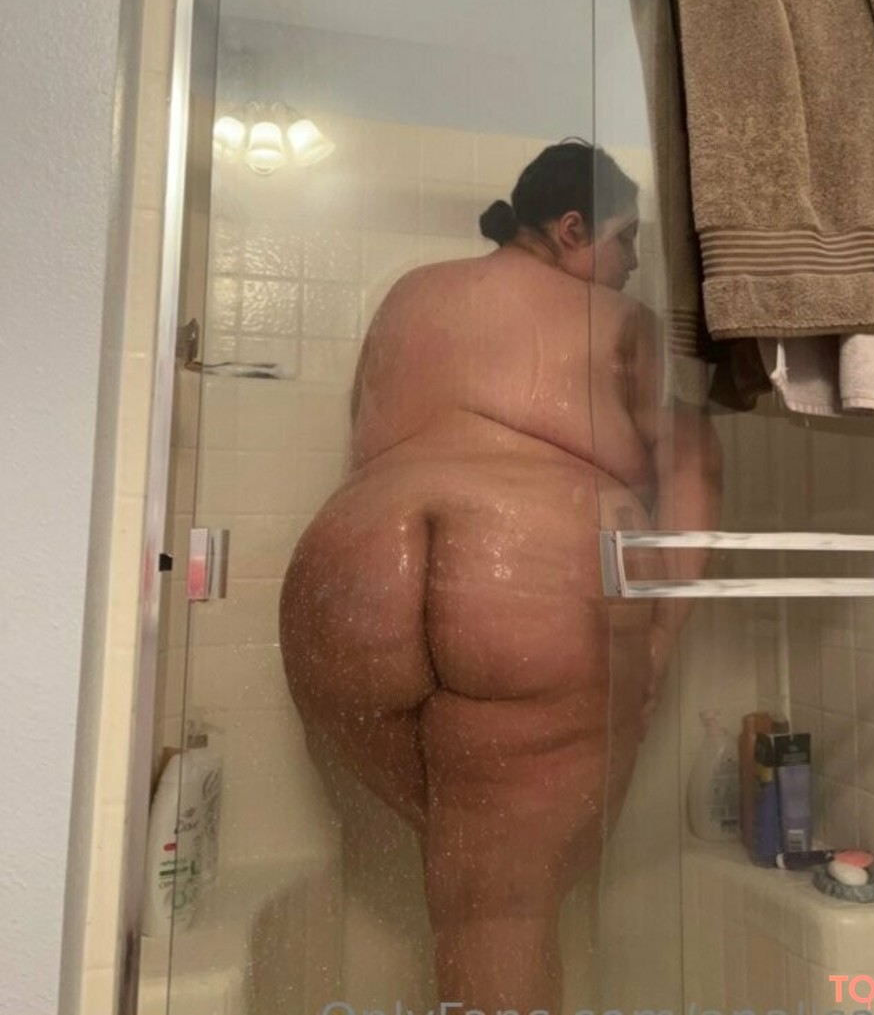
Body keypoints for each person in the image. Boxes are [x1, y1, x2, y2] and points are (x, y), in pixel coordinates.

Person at [279, 140, 719, 1013]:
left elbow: (370, 437)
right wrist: (661, 636)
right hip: (519, 591)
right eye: (626, 238)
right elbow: (694, 471)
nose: (634, 262)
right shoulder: (621, 324)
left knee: (466, 868)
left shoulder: (413, 293)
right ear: (571, 229)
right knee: (498, 905)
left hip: (346, 576)